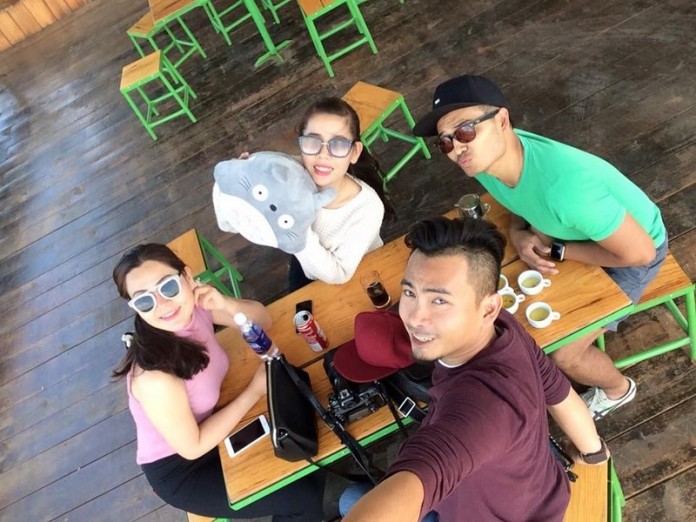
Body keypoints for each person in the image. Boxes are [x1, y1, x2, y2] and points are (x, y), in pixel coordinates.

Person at [412, 74, 668, 420]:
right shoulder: (489, 164)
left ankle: (618, 390)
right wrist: (518, 232)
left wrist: (561, 250)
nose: (457, 149)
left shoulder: (566, 190)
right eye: (445, 142)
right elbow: (519, 199)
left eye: (465, 131)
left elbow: (641, 253)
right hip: (577, 234)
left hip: (633, 252)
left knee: (564, 355)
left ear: (502, 120)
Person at [342, 217, 610, 522]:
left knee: (349, 501)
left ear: (488, 308)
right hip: (543, 494)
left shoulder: (482, 410)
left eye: (439, 300)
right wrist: (593, 453)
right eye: (411, 293)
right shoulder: (502, 327)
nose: (415, 318)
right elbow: (557, 390)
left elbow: (432, 468)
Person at [112, 243, 325, 521]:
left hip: (214, 420)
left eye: (168, 287)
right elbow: (193, 446)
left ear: (187, 276)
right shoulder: (155, 378)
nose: (162, 304)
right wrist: (253, 391)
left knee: (311, 442)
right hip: (183, 468)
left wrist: (225, 304)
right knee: (303, 496)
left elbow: (264, 319)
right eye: (144, 301)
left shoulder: (194, 307)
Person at [288, 97, 396, 290]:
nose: (323, 154)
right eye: (313, 141)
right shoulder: (292, 173)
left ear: (354, 152)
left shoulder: (368, 208)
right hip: (303, 258)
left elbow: (339, 273)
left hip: (360, 274)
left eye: (338, 144)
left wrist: (293, 227)